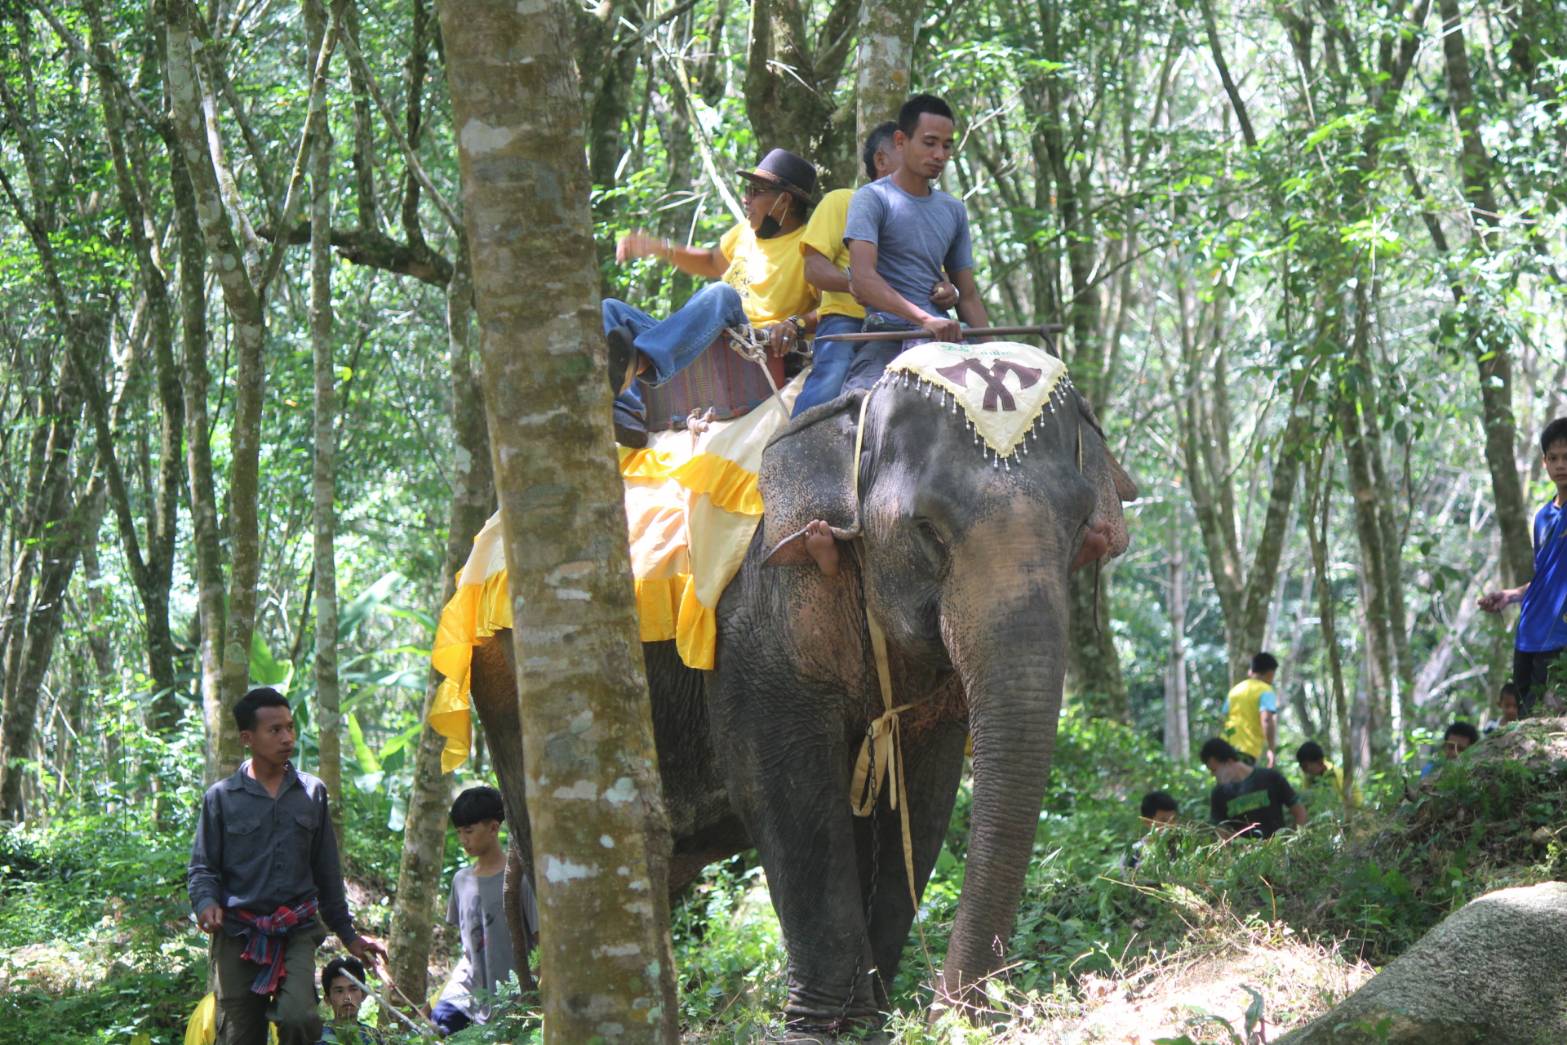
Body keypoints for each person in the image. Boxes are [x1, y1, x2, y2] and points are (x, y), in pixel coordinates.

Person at [189, 687, 385, 1045]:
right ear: (248, 738)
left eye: (290, 727)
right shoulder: (221, 798)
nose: (287, 738)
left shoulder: (312, 793)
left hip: (296, 929)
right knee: (239, 1035)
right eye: (275, 730)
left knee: (299, 1018)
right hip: (238, 931)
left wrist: (349, 935)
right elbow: (202, 868)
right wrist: (206, 903)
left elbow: (327, 871)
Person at [603, 148, 822, 446]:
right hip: (702, 338)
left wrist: (795, 324)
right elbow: (709, 262)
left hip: (749, 347)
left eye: (756, 191)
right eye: (748, 190)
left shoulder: (807, 245)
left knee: (721, 293)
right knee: (611, 310)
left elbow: (834, 309)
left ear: (785, 200)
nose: (746, 198)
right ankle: (630, 410)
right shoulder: (746, 231)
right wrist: (657, 247)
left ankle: (642, 361)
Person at [792, 121, 957, 416]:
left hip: (912, 323)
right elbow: (814, 269)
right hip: (848, 320)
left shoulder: (922, 212)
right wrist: (853, 284)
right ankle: (796, 450)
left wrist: (948, 289)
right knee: (829, 385)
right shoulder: (842, 200)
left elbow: (939, 275)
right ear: (881, 160)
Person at [842, 93, 990, 388]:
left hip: (945, 337)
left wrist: (992, 350)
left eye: (947, 146)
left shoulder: (953, 210)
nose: (940, 155)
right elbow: (863, 279)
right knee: (855, 415)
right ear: (901, 141)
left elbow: (968, 295)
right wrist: (925, 319)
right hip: (887, 336)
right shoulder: (872, 199)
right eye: (930, 142)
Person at [1479, 416, 1567, 716]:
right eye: (1553, 458)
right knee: (1526, 717)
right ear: (1544, 463)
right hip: (1529, 633)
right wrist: (1511, 595)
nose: (1560, 464)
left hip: (1561, 637)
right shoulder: (1543, 517)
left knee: (1552, 720)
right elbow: (1546, 578)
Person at [430, 786, 533, 1035]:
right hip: (467, 992)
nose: (464, 839)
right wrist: (435, 998)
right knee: (435, 1027)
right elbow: (469, 948)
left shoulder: (520, 879)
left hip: (511, 997)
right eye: (459, 832)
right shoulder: (460, 880)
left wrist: (534, 997)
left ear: (494, 828)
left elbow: (540, 945)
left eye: (469, 831)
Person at [1201, 737, 1306, 840]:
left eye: (1214, 770)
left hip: (1279, 852)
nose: (1213, 775)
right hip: (1245, 855)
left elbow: (1300, 812)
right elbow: (1222, 834)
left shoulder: (1271, 778)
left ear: (1229, 762)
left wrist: (1292, 841)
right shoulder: (1218, 794)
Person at [1222, 652, 1280, 768]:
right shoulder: (1265, 690)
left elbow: (1224, 718)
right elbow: (1267, 720)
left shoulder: (1235, 690)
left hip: (1225, 747)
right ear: (1270, 674)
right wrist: (1271, 750)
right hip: (1247, 750)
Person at [315, 957, 386, 1045]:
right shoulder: (317, 1037)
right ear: (327, 999)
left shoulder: (373, 1036)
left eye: (353, 989)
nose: (347, 997)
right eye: (339, 991)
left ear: (363, 995)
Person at [1295, 740, 1360, 808]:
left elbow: (1357, 800)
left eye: (1305, 766)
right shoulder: (1307, 778)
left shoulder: (1338, 775)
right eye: (1302, 767)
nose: (1304, 771)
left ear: (1319, 762)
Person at [1123, 790, 1179, 870]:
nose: (1170, 825)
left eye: (1173, 820)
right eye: (1163, 820)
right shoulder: (1135, 853)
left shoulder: (1181, 848)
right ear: (1147, 822)